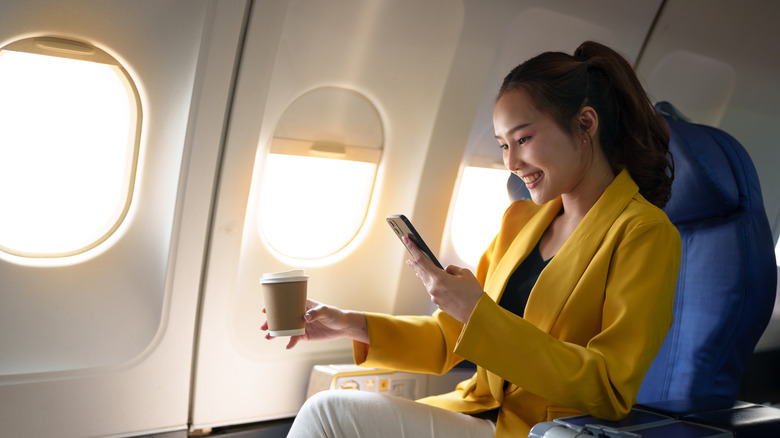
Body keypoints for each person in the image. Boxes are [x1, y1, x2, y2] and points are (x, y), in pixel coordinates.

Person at [262, 41, 682, 437]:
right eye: (502, 145)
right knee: (330, 410)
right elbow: (449, 339)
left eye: (523, 139)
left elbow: (607, 386)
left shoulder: (644, 233)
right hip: (480, 414)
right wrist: (347, 323)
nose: (512, 162)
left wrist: (478, 312)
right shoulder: (521, 221)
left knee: (328, 414)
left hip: (545, 431)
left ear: (585, 124)